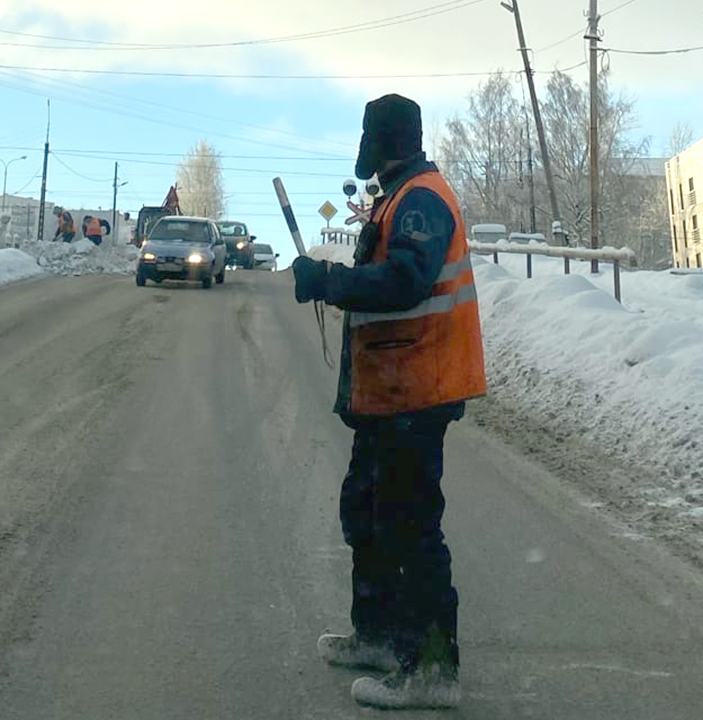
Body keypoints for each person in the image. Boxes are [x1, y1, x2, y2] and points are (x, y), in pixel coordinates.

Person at [290, 93, 487, 710]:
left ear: (390, 138)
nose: (365, 146)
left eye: (372, 134)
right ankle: (376, 634)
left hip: (417, 391)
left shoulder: (421, 198)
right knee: (369, 513)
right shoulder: (396, 196)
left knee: (408, 528)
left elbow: (406, 281)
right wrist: (334, 279)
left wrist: (330, 282)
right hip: (390, 394)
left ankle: (431, 667)